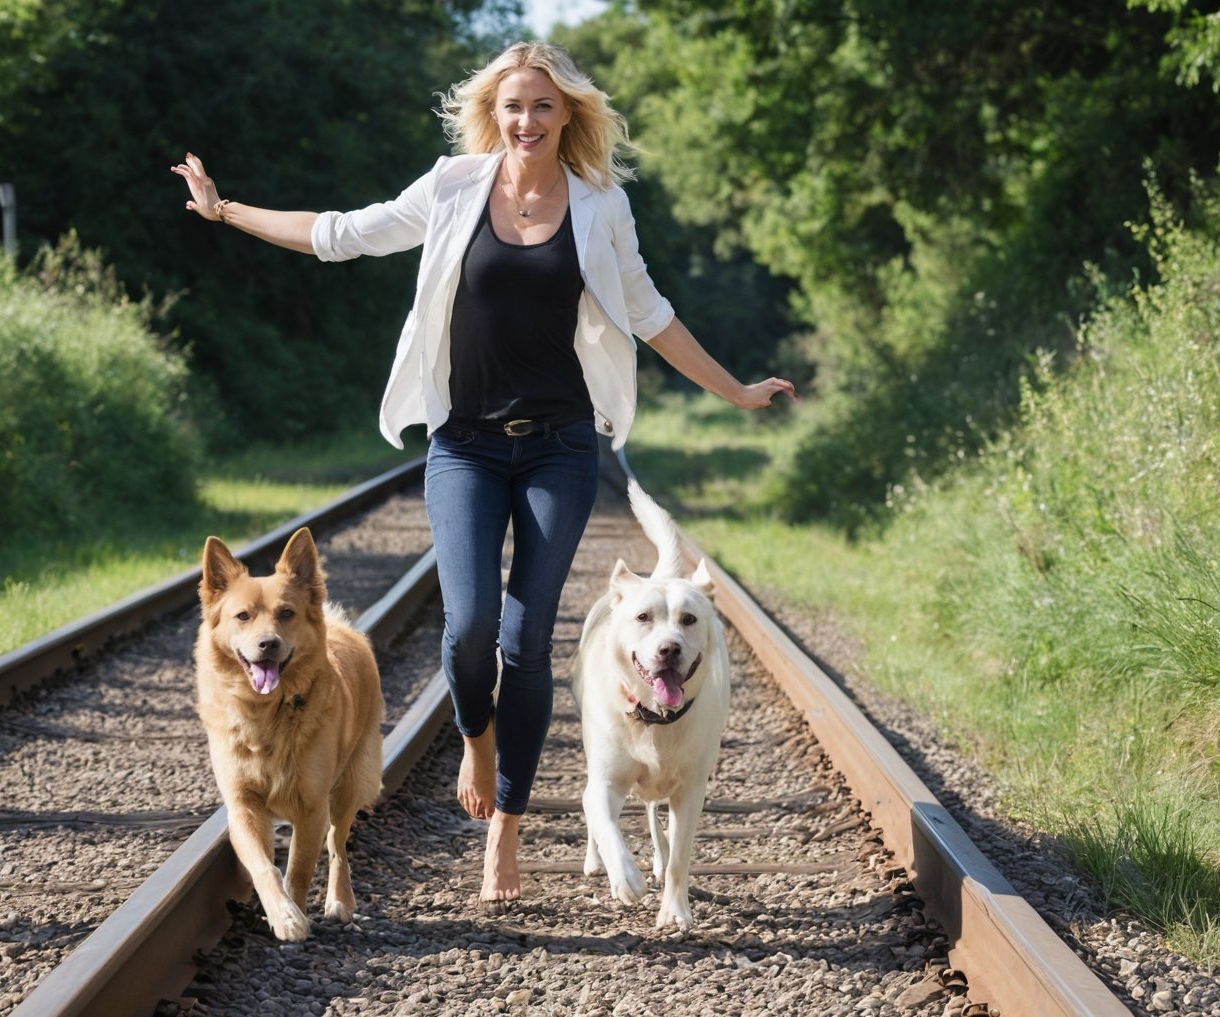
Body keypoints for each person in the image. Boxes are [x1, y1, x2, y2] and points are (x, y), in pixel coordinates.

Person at [172, 41, 796, 906]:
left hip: (561, 446)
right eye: (512, 106)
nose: (526, 121)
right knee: (468, 633)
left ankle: (504, 824)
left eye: (543, 106)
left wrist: (733, 390)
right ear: (491, 113)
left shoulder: (600, 206)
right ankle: (478, 741)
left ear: (569, 112)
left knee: (526, 641)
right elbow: (343, 235)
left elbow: (649, 312)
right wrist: (225, 210)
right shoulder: (455, 185)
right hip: (465, 442)